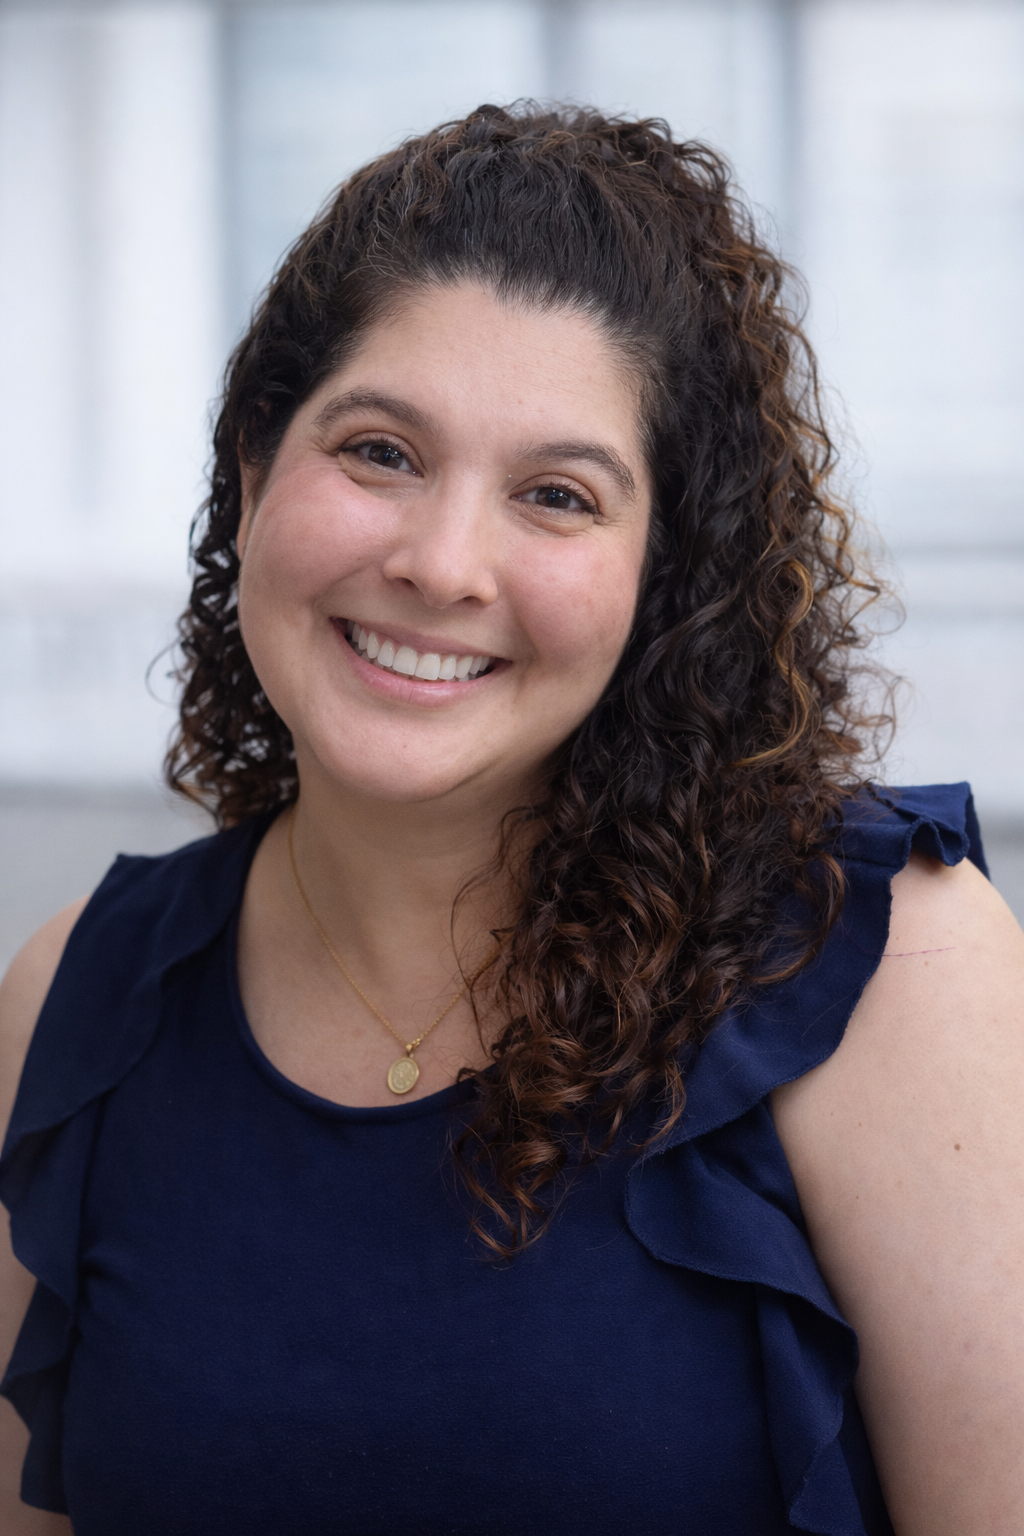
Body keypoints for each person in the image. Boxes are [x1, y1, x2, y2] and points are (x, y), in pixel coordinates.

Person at [0, 103, 1021, 1536]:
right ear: (252, 476)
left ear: (661, 579)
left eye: (556, 495)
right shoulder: (71, 1006)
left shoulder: (892, 973)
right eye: (379, 453)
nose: (442, 563)